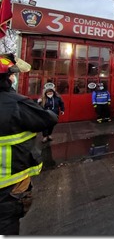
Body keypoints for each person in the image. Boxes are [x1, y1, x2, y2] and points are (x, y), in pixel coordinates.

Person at [0, 53, 58, 235]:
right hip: (8, 187)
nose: (14, 78)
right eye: (12, 74)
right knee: (7, 225)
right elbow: (48, 118)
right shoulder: (16, 103)